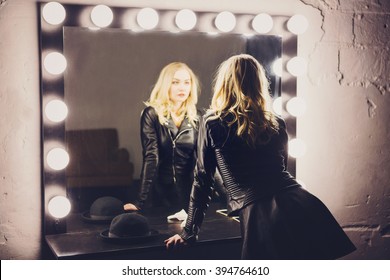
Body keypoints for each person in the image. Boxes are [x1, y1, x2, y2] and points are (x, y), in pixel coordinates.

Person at [164, 54, 356, 259]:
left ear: (224, 84)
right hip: (301, 203)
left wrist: (189, 233)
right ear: (259, 83)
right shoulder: (276, 122)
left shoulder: (213, 122)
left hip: (262, 214)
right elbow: (279, 168)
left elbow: (203, 179)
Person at [124, 62, 200, 217]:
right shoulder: (151, 114)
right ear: (166, 85)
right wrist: (141, 201)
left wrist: (229, 198)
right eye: (175, 82)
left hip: (190, 194)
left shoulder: (198, 117)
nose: (182, 88)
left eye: (187, 82)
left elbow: (206, 160)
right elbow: (151, 157)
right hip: (160, 193)